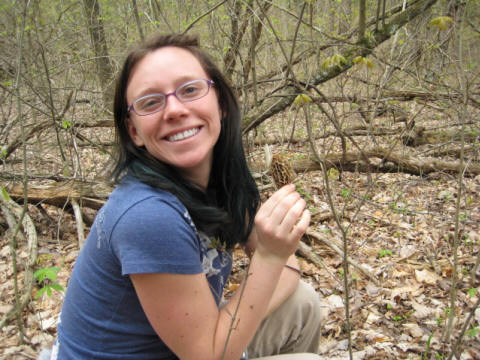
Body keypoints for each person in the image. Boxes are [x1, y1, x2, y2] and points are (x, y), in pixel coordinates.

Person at [50, 33, 322, 360]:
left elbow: (288, 269)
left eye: (190, 89)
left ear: (220, 102)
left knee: (302, 304)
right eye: (150, 102)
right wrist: (270, 258)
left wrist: (274, 261)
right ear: (133, 131)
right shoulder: (148, 215)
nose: (175, 110)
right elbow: (207, 355)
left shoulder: (220, 182)